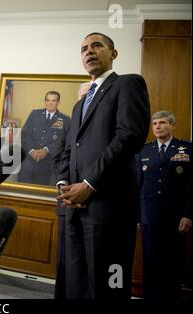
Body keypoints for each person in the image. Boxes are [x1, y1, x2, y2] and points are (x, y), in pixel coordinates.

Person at [56, 32, 150, 299]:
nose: (89, 51)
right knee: (76, 285)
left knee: (109, 285)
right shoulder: (78, 106)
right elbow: (67, 150)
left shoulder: (128, 84)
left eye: (97, 45)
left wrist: (89, 184)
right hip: (73, 207)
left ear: (113, 53)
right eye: (84, 48)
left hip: (109, 207)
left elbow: (129, 136)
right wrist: (64, 184)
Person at [135, 111, 191, 299]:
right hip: (148, 216)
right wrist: (137, 216)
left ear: (173, 125)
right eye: (155, 123)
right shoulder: (144, 150)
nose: (158, 126)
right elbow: (137, 185)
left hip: (175, 218)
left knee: (172, 263)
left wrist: (188, 214)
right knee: (150, 262)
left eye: (163, 123)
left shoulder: (186, 149)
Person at [53, 84, 88, 299]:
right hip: (66, 202)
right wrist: (61, 183)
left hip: (91, 201)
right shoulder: (69, 124)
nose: (86, 100)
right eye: (83, 96)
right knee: (65, 260)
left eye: (90, 95)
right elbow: (61, 157)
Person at [19, 91, 70, 185]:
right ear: (45, 101)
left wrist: (47, 150)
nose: (50, 103)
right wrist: (31, 150)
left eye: (53, 100)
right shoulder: (34, 114)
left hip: (47, 165)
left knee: (39, 194)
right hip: (28, 163)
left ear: (58, 102)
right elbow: (25, 134)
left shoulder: (65, 120)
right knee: (21, 191)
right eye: (48, 100)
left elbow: (64, 141)